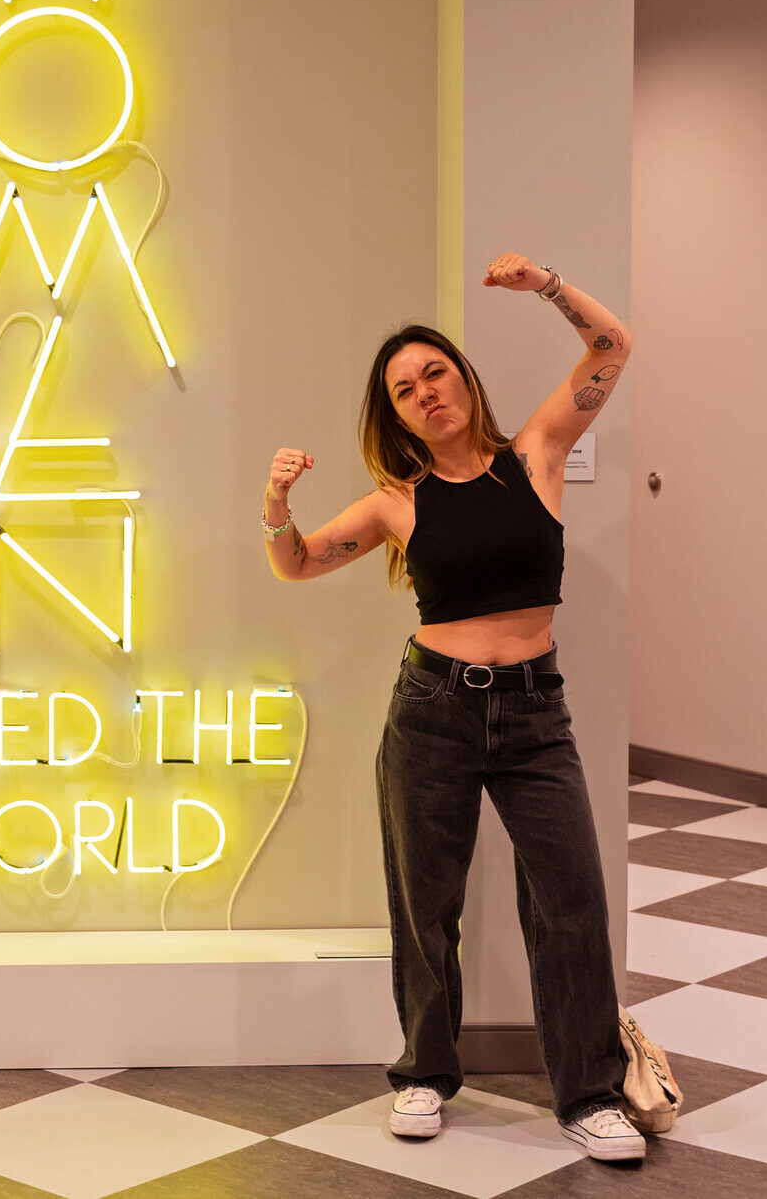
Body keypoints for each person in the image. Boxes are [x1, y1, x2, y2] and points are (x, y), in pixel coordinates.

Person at [263, 252, 643, 1163]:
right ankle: (426, 1075)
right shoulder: (399, 502)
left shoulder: (538, 454)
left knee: (572, 902)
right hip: (431, 709)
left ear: (463, 379)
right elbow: (300, 561)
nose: (425, 392)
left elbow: (613, 344)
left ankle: (589, 1092)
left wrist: (547, 286)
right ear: (394, 417)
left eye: (435, 371)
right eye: (404, 390)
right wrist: (277, 502)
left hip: (534, 713)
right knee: (425, 903)